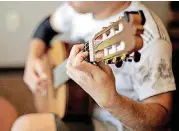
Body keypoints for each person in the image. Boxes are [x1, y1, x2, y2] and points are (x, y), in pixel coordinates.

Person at [11, 1, 176, 131]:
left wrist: (113, 102)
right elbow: (46, 27)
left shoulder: (147, 37)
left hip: (117, 123)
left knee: (24, 126)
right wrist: (33, 57)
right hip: (79, 108)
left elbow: (160, 119)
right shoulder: (77, 8)